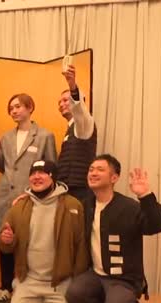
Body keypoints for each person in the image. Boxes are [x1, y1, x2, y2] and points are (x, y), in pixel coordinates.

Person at [65, 154, 161, 303]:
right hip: (96, 274)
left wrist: (145, 196)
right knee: (74, 294)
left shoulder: (129, 207)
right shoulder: (86, 205)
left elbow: (157, 225)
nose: (93, 173)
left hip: (124, 278)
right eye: (91, 169)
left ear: (114, 178)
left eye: (100, 169)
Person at [0, 160, 87, 303]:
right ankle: (30, 299)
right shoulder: (19, 206)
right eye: (33, 173)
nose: (36, 177)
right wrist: (6, 240)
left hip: (59, 281)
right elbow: (4, 247)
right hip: (29, 280)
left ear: (53, 177)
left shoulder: (72, 205)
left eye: (42, 172)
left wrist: (77, 280)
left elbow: (81, 245)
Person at [0, 93, 57, 303]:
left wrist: (39, 191)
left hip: (31, 195)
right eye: (11, 108)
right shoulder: (7, 137)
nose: (14, 111)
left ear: (30, 107)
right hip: (5, 196)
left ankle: (26, 285)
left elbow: (51, 167)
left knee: (29, 240)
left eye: (18, 106)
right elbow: (6, 167)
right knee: (5, 238)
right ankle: (5, 286)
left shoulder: (44, 135)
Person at [56, 64, 97, 202]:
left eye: (65, 100)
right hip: (65, 188)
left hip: (80, 189)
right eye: (59, 102)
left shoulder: (85, 123)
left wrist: (72, 86)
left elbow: (79, 110)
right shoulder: (70, 128)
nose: (61, 104)